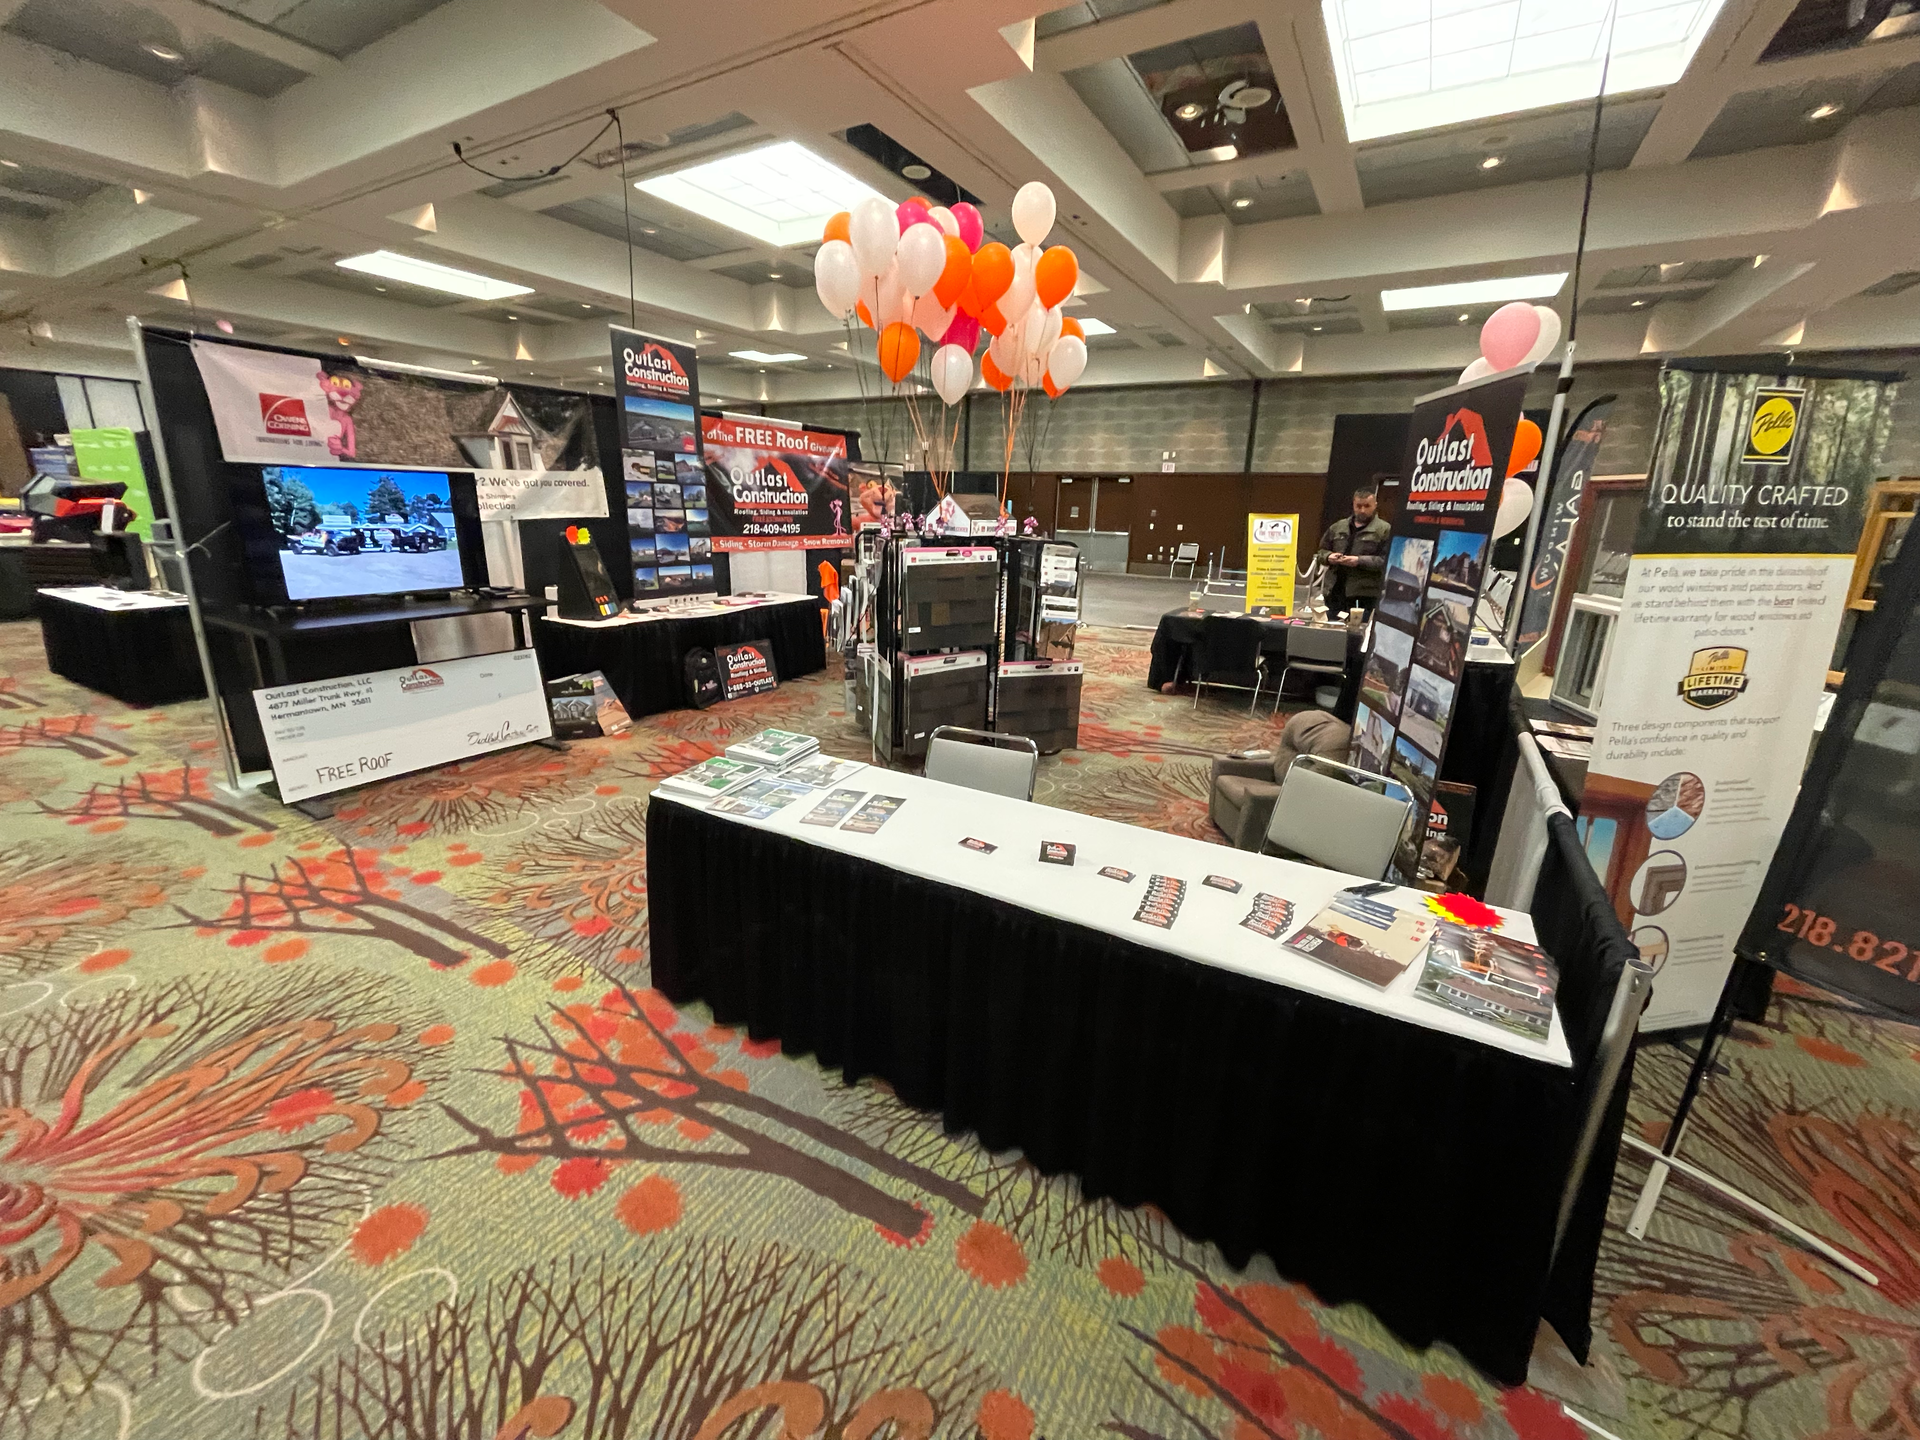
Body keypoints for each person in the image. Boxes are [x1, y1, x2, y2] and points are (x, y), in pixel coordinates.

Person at [1314, 483, 1391, 616]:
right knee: (1332, 630)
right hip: (1334, 591)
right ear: (1353, 505)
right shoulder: (1338, 527)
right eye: (1358, 506)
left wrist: (1359, 561)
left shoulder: (1384, 529)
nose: (1362, 510)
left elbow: (1386, 561)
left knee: (1355, 633)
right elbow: (1320, 552)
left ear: (1375, 505)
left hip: (1363, 594)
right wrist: (1328, 557)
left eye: (1367, 506)